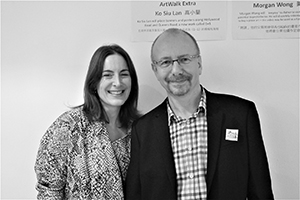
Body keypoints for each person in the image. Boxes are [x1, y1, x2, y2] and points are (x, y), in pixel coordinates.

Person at [125, 28, 274, 200]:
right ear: (155, 69)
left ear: (199, 63)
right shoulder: (143, 130)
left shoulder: (240, 115)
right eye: (165, 62)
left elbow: (261, 192)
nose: (176, 70)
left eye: (184, 59)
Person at [35, 44, 140, 199]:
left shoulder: (139, 129)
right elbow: (49, 191)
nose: (117, 82)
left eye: (124, 74)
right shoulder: (69, 126)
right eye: (108, 75)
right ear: (94, 83)